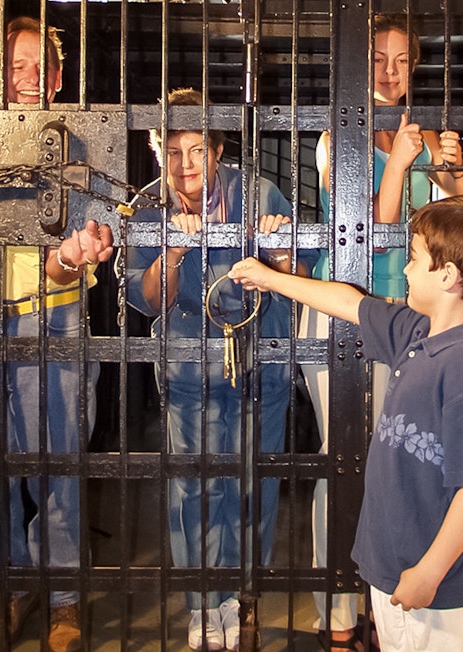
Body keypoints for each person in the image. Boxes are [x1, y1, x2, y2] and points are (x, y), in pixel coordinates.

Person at [228, 195, 463, 652]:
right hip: (397, 570)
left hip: (440, 590)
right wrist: (271, 278)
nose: (404, 270)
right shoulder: (418, 331)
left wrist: (429, 572)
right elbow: (349, 302)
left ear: (447, 276)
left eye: (414, 259)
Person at [305, 14, 463, 650]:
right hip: (345, 306)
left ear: (414, 67)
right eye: (378, 57)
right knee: (341, 455)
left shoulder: (425, 133)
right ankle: (339, 610)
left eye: (401, 60)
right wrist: (402, 160)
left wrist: (454, 169)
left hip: (410, 322)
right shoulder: (337, 135)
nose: (388, 71)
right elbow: (370, 229)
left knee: (398, 461)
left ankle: (389, 598)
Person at [119, 88, 319, 652]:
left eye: (197, 150)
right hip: (188, 359)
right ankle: (203, 602)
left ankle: (240, 598)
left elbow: (296, 271)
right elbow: (149, 300)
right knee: (195, 484)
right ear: (157, 148)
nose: (185, 166)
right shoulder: (147, 206)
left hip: (262, 354)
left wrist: (279, 247)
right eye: (173, 151)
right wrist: (174, 254)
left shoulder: (257, 192)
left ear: (218, 147)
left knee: (253, 480)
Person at [0, 17, 114, 652]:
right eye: (15, 67)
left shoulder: (78, 138)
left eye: (40, 69)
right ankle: (6, 584)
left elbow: (91, 234)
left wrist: (75, 253)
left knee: (55, 465)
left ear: (59, 79)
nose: (28, 81)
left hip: (52, 314)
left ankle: (61, 598)